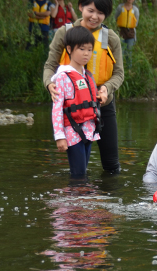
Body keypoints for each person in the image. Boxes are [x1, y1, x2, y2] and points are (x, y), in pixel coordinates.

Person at [44, 0, 124, 175]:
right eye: (91, 10)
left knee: (112, 166)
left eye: (101, 13)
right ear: (80, 7)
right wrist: (49, 84)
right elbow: (50, 65)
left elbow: (119, 73)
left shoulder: (111, 38)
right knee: (79, 168)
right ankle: (78, 195)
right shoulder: (64, 33)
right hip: (72, 111)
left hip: (102, 105)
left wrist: (106, 88)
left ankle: (108, 199)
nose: (95, 17)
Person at [51, 26, 100, 178]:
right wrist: (59, 136)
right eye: (81, 49)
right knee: (78, 175)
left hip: (88, 130)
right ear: (69, 49)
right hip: (72, 132)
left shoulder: (87, 76)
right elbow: (57, 108)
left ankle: (79, 200)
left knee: (82, 172)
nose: (86, 53)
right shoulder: (63, 77)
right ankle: (73, 200)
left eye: (89, 49)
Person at [114, 0, 139, 67]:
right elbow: (115, 18)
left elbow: (136, 22)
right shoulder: (120, 7)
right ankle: (119, 69)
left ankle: (129, 69)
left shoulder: (135, 9)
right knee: (120, 52)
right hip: (121, 32)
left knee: (129, 53)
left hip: (130, 33)